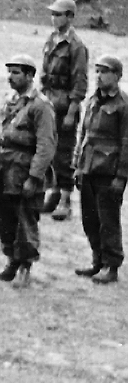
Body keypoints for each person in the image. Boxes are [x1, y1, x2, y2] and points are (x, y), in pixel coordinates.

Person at [0, 55, 57, 287]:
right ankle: (11, 262)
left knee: (24, 220)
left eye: (16, 72)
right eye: (9, 72)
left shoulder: (41, 105)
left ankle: (25, 267)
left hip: (24, 170)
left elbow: (46, 145)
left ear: (29, 75)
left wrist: (34, 177)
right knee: (4, 219)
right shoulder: (12, 101)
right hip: (5, 168)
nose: (10, 77)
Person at [75, 55, 128, 283]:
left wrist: (122, 176)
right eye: (97, 71)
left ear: (117, 76)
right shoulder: (92, 100)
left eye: (105, 71)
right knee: (90, 219)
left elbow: (127, 143)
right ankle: (97, 260)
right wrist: (77, 166)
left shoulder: (123, 105)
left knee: (108, 220)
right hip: (88, 168)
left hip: (109, 172)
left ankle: (111, 265)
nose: (99, 76)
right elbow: (83, 135)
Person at [39, 0, 88, 221]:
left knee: (64, 153)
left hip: (65, 106)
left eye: (58, 14)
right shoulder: (51, 39)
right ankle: (54, 193)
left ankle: (66, 200)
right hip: (49, 102)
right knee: (48, 150)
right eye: (53, 14)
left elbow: (80, 83)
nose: (54, 18)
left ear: (70, 17)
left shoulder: (76, 46)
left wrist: (71, 111)